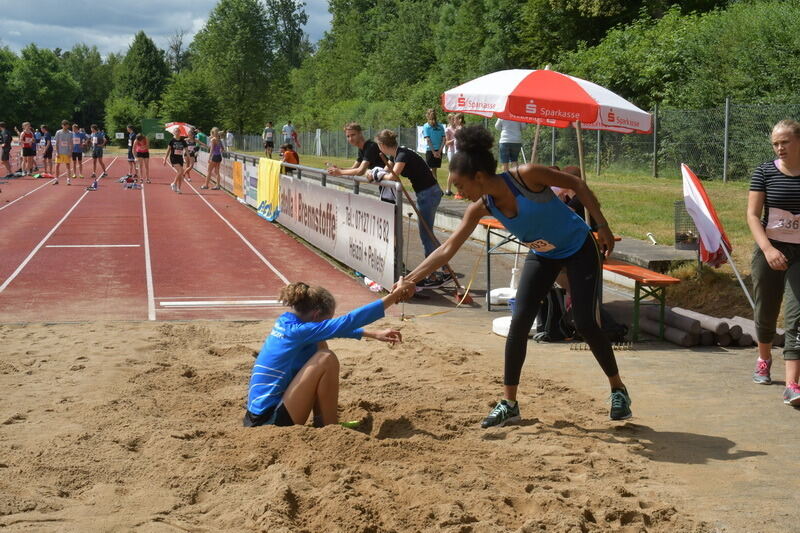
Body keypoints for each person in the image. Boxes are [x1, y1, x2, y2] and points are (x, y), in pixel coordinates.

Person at [393, 125, 630, 426]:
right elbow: (447, 250)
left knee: (584, 321)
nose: (458, 193)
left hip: (579, 248)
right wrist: (410, 279)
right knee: (520, 321)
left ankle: (618, 389)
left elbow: (577, 184)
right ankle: (509, 403)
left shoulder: (527, 175)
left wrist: (602, 226)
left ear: (479, 176)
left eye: (460, 185)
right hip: (544, 255)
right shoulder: (480, 207)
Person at [244, 281, 403, 428]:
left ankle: (322, 420)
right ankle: (330, 427)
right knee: (326, 357)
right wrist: (393, 297)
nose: (327, 325)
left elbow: (329, 330)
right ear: (316, 315)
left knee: (320, 343)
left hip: (257, 416)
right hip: (269, 422)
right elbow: (349, 321)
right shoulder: (299, 332)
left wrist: (372, 334)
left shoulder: (286, 322)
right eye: (327, 321)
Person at [747, 119, 800, 406]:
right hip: (770, 250)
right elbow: (753, 215)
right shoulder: (765, 172)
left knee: (797, 315)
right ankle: (764, 358)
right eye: (776, 143)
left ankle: (792, 384)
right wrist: (767, 249)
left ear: (799, 141)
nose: (780, 147)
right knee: (766, 309)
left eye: (785, 142)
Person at [375, 129, 450, 288]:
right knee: (427, 233)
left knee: (426, 235)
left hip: (429, 193)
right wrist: (378, 172)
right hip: (425, 193)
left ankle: (435, 274)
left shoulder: (402, 155)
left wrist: (376, 175)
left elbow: (392, 176)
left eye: (378, 145)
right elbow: (387, 171)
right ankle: (444, 268)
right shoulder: (395, 155)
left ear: (382, 145)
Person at [444, 113, 465, 197]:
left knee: (458, 171)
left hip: (458, 152)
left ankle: (459, 191)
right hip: (452, 152)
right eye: (452, 119)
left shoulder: (459, 128)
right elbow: (447, 142)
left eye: (455, 119)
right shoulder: (448, 129)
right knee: (453, 171)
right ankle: (449, 190)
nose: (453, 121)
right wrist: (453, 140)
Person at [422, 108, 446, 180]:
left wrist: (433, 152)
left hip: (430, 150)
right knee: (434, 171)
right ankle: (435, 188)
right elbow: (444, 139)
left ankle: (433, 188)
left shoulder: (426, 126)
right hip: (439, 150)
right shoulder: (440, 126)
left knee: (430, 171)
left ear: (427, 115)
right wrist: (439, 151)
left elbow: (428, 140)